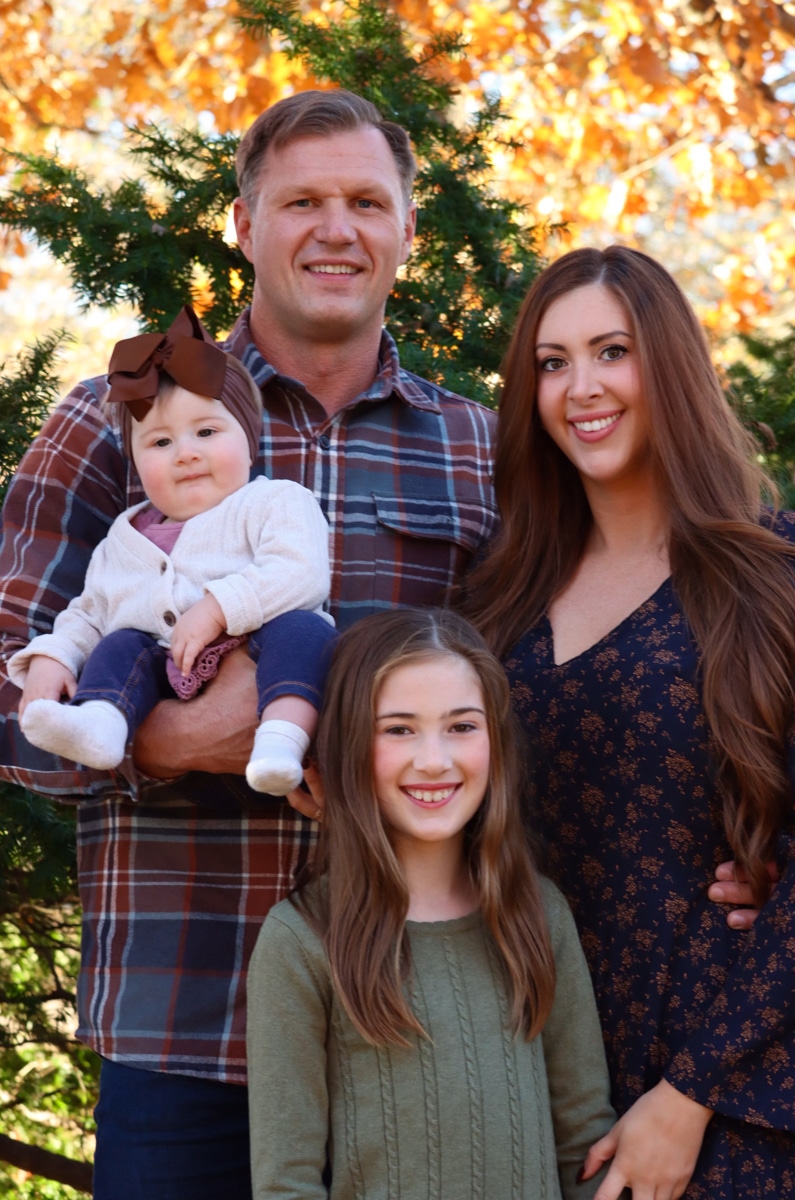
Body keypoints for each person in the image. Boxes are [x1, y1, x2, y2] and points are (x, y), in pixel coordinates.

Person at [0, 91, 497, 1199]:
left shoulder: (478, 450)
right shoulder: (113, 424)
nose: (337, 229)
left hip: (408, 1006)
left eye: (367, 202)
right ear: (242, 224)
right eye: (302, 202)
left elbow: (539, 707)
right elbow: (7, 677)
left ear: (407, 230)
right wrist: (171, 738)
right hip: (183, 1019)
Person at [465, 244, 795, 1198]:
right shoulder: (498, 601)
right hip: (531, 1085)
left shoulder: (775, 574)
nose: (582, 387)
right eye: (553, 362)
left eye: (612, 351)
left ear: (670, 366)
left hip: (724, 1100)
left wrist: (690, 1095)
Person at [247, 606, 616, 1200]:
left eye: (462, 726)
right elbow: (286, 1183)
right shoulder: (302, 939)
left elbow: (584, 1142)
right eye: (398, 729)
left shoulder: (538, 914)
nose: (435, 760)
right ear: (346, 745)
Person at [9, 304, 337, 796]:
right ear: (136, 462)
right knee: (120, 645)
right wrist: (54, 657)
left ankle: (281, 739)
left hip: (262, 650)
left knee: (305, 632)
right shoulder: (125, 538)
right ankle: (102, 723)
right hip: (165, 669)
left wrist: (217, 608)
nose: (186, 453)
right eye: (160, 442)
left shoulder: (274, 502)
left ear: (248, 442)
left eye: (206, 432)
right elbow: (91, 613)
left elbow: (301, 572)